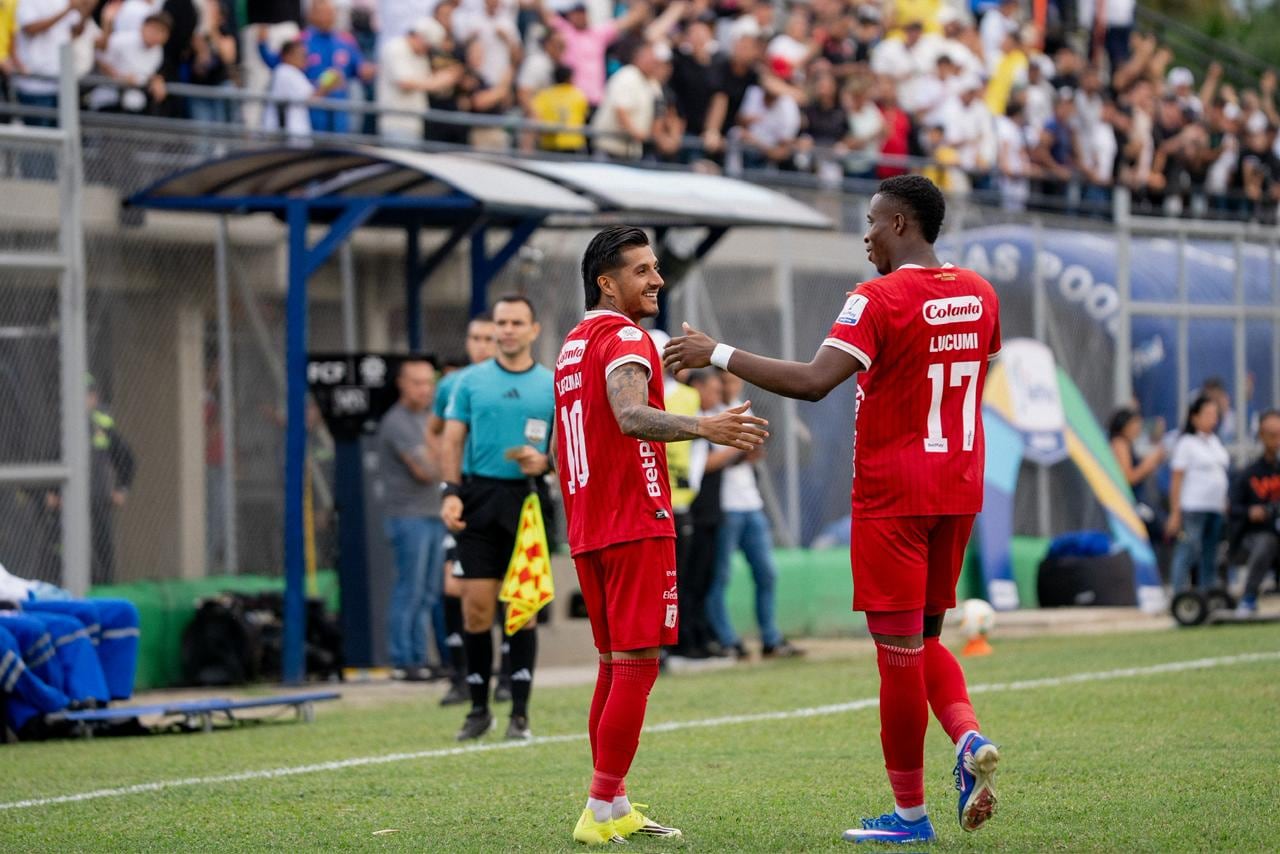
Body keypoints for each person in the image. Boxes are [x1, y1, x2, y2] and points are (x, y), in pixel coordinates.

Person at [664, 175, 1003, 843]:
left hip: (893, 496)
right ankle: (966, 739)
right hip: (958, 487)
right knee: (927, 638)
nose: (866, 236)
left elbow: (815, 381)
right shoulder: (980, 292)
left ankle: (909, 817)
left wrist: (718, 353)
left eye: (873, 222)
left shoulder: (876, 298)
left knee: (899, 654)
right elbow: (976, 381)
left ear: (902, 224)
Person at [557, 226, 767, 844]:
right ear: (607, 282)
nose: (657, 280)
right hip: (633, 521)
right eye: (643, 270)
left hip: (591, 523)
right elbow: (628, 415)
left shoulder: (573, 344)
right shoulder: (625, 337)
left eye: (655, 268)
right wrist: (706, 427)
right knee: (639, 667)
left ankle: (612, 803)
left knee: (613, 665)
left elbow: (560, 440)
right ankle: (600, 809)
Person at [441, 296, 555, 742]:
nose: (507, 330)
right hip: (478, 497)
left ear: (534, 329)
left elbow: (568, 445)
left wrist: (544, 462)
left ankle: (520, 715)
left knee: (521, 611)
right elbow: (451, 441)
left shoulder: (552, 383)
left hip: (527, 502)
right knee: (476, 609)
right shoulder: (469, 382)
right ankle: (478, 709)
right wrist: (450, 493)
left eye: (516, 323)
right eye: (501, 323)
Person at [703, 370, 803, 659]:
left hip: (750, 502)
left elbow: (750, 450)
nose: (728, 386)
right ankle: (727, 639)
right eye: (723, 381)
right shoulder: (712, 413)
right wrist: (738, 452)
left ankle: (770, 638)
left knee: (767, 572)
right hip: (726, 505)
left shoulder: (744, 408)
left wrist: (751, 450)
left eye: (733, 380)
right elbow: (713, 460)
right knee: (720, 576)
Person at [430, 313, 496, 707]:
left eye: (488, 337)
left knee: (505, 590)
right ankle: (459, 674)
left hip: (506, 494)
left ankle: (507, 674)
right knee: (455, 585)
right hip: (465, 495)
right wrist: (443, 479)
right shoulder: (453, 385)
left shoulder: (523, 381)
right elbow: (435, 433)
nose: (482, 344)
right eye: (475, 337)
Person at [376, 357, 447, 682]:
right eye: (417, 382)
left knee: (429, 591)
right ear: (402, 384)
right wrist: (452, 455)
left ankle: (420, 657)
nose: (425, 389)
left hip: (432, 514)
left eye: (428, 382)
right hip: (409, 517)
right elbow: (424, 470)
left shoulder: (429, 420)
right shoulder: (398, 422)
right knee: (410, 588)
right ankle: (402, 660)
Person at [1165, 395, 1230, 594]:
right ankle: (1178, 594)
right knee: (1189, 549)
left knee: (1210, 553)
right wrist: (1175, 512)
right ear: (1194, 417)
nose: (1213, 418)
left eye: (1215, 414)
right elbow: (1177, 479)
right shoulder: (1186, 443)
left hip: (1214, 507)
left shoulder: (1214, 441)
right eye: (1208, 414)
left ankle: (1206, 594)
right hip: (1193, 507)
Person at [1228, 409, 1280, 616]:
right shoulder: (1249, 473)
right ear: (1261, 435)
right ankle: (1248, 598)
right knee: (1267, 542)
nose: (1276, 440)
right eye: (1272, 434)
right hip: (1252, 536)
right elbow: (1233, 508)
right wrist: (1251, 512)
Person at [1108, 406, 1166, 537]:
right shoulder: (1120, 443)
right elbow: (1128, 477)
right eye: (1135, 423)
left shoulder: (1129, 444)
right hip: (1129, 503)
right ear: (1124, 425)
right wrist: (1148, 463)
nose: (1138, 427)